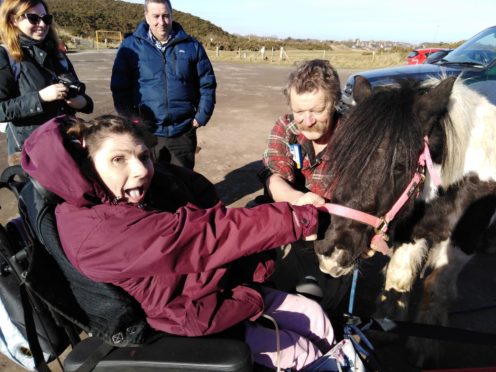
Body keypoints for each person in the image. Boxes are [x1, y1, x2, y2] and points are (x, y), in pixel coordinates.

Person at [21, 114, 339, 370]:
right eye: (119, 159)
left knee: (315, 318)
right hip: (189, 310)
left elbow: (199, 199)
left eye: (143, 157)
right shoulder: (97, 230)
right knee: (302, 352)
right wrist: (298, 218)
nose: (140, 170)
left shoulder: (127, 197)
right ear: (87, 165)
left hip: (212, 285)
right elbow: (205, 236)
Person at [258, 59, 351, 314]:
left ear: (334, 103)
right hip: (293, 216)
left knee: (322, 301)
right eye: (300, 111)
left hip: (336, 227)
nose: (307, 121)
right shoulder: (286, 127)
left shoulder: (354, 136)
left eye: (317, 111)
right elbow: (274, 176)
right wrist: (297, 199)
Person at [110, 0, 216, 170]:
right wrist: (132, 120)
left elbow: (207, 84)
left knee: (182, 184)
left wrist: (200, 117)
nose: (162, 22)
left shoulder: (192, 46)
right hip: (147, 131)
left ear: (172, 15)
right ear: (146, 17)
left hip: (183, 130)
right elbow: (120, 88)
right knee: (150, 182)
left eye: (166, 16)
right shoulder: (130, 46)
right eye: (156, 16)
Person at [0, 0, 93, 166]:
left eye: (46, 19)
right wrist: (40, 97)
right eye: (33, 18)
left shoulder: (57, 54)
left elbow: (81, 96)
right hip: (32, 153)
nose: (42, 24)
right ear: (13, 20)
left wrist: (82, 102)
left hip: (68, 144)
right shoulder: (6, 56)